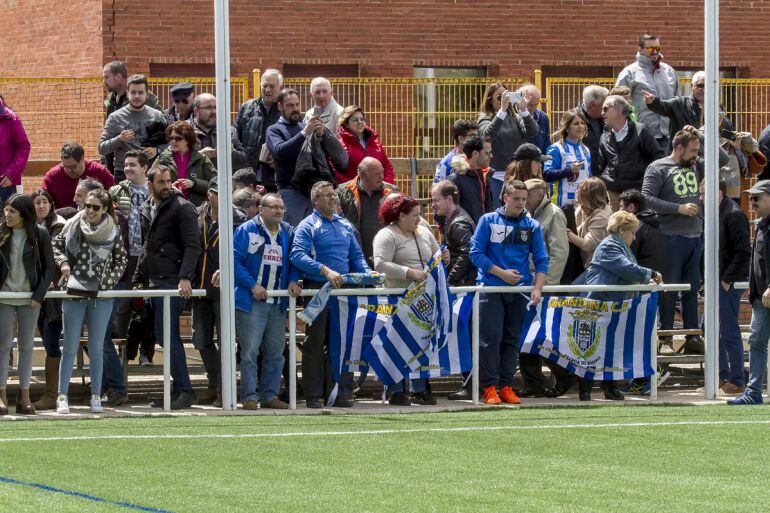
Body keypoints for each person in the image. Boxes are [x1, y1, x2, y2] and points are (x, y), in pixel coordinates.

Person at [290, 181, 369, 408]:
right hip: (318, 289)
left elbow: (356, 255)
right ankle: (313, 394)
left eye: (333, 195)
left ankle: (338, 392)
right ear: (315, 201)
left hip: (344, 292)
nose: (332, 198)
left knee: (342, 342)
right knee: (315, 342)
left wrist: (366, 274)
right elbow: (297, 255)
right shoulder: (307, 225)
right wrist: (324, 270)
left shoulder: (345, 225)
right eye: (325, 196)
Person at [470, 179, 548, 405]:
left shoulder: (532, 225)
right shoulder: (488, 221)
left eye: (524, 199)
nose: (521, 203)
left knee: (512, 340)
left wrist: (537, 287)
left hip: (519, 292)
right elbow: (475, 254)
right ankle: (489, 388)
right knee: (490, 340)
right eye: (516, 199)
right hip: (491, 289)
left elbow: (542, 259)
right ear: (505, 197)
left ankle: (506, 386)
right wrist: (501, 273)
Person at [133, 165, 201, 410]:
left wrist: (185, 277)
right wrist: (139, 277)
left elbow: (193, 245)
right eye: (160, 182)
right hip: (155, 281)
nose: (166, 186)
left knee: (167, 336)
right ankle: (176, 389)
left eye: (168, 181)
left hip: (172, 281)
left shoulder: (183, 207)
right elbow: (146, 247)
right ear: (150, 183)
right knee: (164, 336)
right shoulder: (146, 208)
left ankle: (185, 390)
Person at [53, 190, 128, 414]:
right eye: (87, 205)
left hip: (101, 294)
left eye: (95, 207)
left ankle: (96, 396)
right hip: (74, 290)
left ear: (105, 209)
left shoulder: (113, 231)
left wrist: (107, 283)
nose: (90, 210)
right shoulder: (73, 224)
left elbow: (121, 260)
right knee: (69, 346)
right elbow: (56, 246)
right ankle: (62, 396)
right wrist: (64, 264)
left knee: (96, 348)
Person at [579, 211, 663, 401]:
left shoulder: (619, 246)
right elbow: (625, 268)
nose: (634, 237)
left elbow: (627, 274)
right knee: (592, 349)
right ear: (622, 230)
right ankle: (585, 389)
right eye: (632, 232)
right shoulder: (610, 246)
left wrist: (643, 283)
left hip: (613, 306)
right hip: (600, 305)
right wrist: (651, 273)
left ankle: (609, 388)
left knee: (609, 349)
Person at [234, 193, 301, 410]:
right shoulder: (246, 230)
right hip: (251, 301)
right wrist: (252, 285)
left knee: (275, 352)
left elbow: (294, 260)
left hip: (277, 303)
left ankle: (270, 395)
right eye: (274, 207)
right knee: (250, 352)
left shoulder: (287, 232)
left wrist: (292, 280)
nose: (279, 211)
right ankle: (249, 396)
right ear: (260, 209)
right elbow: (232, 261)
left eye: (281, 208)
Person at [642, 126, 705, 354]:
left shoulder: (696, 164)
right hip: (670, 236)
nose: (696, 155)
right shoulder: (658, 167)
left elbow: (723, 157)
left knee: (691, 288)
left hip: (695, 235)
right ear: (678, 148)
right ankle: (666, 336)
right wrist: (677, 208)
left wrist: (700, 133)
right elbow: (647, 198)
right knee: (668, 289)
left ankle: (692, 336)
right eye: (692, 150)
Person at [373, 194, 440, 406]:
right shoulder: (386, 235)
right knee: (395, 345)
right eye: (415, 215)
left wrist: (441, 258)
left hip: (423, 300)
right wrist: (408, 272)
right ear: (401, 216)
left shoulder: (424, 233)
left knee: (421, 344)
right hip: (396, 299)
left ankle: (419, 388)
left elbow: (436, 255)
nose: (419, 220)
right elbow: (380, 264)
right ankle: (395, 390)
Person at [193, 177, 247, 406]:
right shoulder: (196, 214)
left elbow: (241, 253)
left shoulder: (239, 218)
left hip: (225, 288)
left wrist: (227, 271)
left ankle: (224, 388)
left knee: (226, 340)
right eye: (218, 192)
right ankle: (215, 382)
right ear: (209, 194)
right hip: (200, 285)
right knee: (201, 339)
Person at [0, 195, 55, 415]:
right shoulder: (2, 234)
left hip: (30, 297)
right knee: (3, 346)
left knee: (27, 347)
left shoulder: (40, 235)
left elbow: (50, 267)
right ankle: (2, 395)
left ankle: (24, 397)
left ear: (23, 214)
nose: (7, 215)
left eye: (12, 211)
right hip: (3, 296)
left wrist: (38, 295)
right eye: (6, 210)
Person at [515, 178, 569, 396]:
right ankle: (534, 381)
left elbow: (559, 252)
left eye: (527, 195)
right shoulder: (528, 215)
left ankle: (562, 375)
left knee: (540, 336)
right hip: (528, 285)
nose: (523, 200)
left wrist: (546, 284)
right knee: (527, 335)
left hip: (543, 287)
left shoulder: (554, 214)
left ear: (540, 193)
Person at [700, 179, 750, 395]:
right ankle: (721, 377)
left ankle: (737, 380)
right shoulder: (717, 213)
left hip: (726, 283)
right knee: (708, 326)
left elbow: (743, 251)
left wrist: (727, 279)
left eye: (703, 193)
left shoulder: (733, 213)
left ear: (717, 193)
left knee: (728, 331)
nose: (700, 198)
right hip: (717, 281)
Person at [267, 89, 341, 226]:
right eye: (290, 105)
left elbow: (320, 156)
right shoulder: (274, 130)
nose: (295, 109)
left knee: (315, 232)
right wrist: (304, 133)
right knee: (292, 232)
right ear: (280, 106)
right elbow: (280, 152)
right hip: (290, 190)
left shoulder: (304, 126)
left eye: (297, 104)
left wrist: (320, 136)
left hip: (311, 190)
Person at [728, 180, 770, 405]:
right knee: (756, 341)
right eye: (750, 198)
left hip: (767, 295)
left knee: (757, 342)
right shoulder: (762, 224)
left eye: (757, 198)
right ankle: (753, 392)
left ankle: (754, 392)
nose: (751, 202)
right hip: (761, 298)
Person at [30, 190, 66, 410]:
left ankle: (54, 394)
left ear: (51, 204)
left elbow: (54, 257)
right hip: (38, 291)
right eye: (37, 202)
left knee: (52, 342)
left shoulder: (58, 226)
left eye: (45, 201)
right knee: (47, 341)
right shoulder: (28, 228)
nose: (41, 205)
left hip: (55, 294)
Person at [597, 95, 664, 211]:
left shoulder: (641, 131)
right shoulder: (604, 136)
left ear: (619, 110)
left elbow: (657, 157)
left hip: (636, 193)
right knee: (616, 226)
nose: (602, 113)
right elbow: (601, 165)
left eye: (605, 109)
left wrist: (650, 183)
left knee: (638, 226)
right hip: (614, 192)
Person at [615, 33, 679, 153]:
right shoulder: (629, 73)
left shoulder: (669, 71)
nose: (655, 52)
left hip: (668, 136)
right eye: (651, 49)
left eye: (658, 48)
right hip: (640, 137)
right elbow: (617, 104)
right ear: (640, 49)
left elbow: (676, 103)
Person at [98, 74, 168, 183]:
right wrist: (119, 139)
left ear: (147, 95)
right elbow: (102, 148)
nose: (136, 96)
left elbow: (171, 144)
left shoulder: (157, 116)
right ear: (127, 93)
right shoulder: (115, 117)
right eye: (133, 92)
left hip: (151, 173)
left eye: (140, 92)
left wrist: (157, 150)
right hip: (124, 173)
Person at [337, 157, 398, 266]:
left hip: (386, 256)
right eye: (377, 174)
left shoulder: (391, 192)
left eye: (382, 173)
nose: (382, 177)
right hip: (354, 256)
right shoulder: (342, 192)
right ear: (363, 174)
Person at [235, 69, 283, 191]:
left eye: (272, 86)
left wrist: (277, 157)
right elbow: (237, 139)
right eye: (264, 86)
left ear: (280, 87)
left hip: (275, 176)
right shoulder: (246, 108)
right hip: (249, 174)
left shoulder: (285, 110)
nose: (267, 90)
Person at [151, 120, 217, 206]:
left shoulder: (201, 159)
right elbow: (151, 182)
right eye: (171, 138)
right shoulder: (163, 159)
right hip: (169, 207)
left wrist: (194, 184)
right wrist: (168, 188)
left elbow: (215, 184)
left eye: (178, 138)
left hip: (196, 210)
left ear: (188, 140)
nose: (173, 141)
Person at [477, 83, 539, 172]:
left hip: (517, 171)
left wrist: (524, 110)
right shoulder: (485, 117)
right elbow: (487, 135)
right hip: (497, 173)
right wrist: (502, 111)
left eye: (506, 96)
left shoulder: (516, 117)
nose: (503, 100)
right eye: (499, 97)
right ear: (490, 100)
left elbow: (533, 132)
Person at [43, 142, 115, 210]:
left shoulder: (99, 172)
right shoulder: (52, 176)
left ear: (82, 158)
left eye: (73, 167)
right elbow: (43, 199)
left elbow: (113, 196)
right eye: (65, 166)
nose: (69, 171)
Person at [431, 180, 476, 287]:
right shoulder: (454, 219)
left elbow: (467, 254)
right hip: (463, 282)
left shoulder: (458, 222)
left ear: (449, 199)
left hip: (463, 285)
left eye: (436, 201)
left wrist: (451, 281)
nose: (433, 205)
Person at [543, 109, 591, 207]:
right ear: (567, 127)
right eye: (576, 123)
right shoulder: (555, 148)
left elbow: (588, 176)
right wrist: (569, 170)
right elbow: (547, 174)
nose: (580, 126)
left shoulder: (586, 150)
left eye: (582, 123)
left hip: (581, 205)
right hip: (562, 204)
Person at [337, 105, 394, 184]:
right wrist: (352, 187)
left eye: (362, 119)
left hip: (380, 189)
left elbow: (387, 166)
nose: (360, 122)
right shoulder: (340, 145)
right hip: (354, 191)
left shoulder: (374, 141)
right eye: (355, 120)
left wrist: (387, 184)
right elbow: (335, 171)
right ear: (346, 124)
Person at [189, 93, 247, 170]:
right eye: (209, 108)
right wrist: (199, 155)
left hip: (222, 181)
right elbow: (173, 161)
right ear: (197, 111)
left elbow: (243, 162)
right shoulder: (184, 131)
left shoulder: (229, 131)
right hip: (194, 181)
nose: (214, 112)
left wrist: (232, 152)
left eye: (215, 107)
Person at [644, 71, 705, 140]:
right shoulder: (679, 103)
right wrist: (653, 102)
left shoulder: (715, 108)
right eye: (700, 85)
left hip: (706, 149)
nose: (704, 89)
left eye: (708, 86)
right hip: (681, 148)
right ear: (692, 85)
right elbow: (663, 106)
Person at [447, 135, 494, 224]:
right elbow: (445, 213)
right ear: (475, 154)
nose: (491, 156)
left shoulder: (485, 177)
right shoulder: (455, 180)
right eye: (487, 153)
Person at [568, 177, 612, 268]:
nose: (577, 192)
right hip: (584, 262)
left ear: (589, 195)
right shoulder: (583, 208)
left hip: (597, 266)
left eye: (580, 190)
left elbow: (588, 244)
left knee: (574, 283)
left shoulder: (602, 216)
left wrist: (568, 234)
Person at [0, 95, 30, 206]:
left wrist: (10, 173)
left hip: (3, 185)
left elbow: (24, 147)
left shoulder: (11, 118)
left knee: (5, 221)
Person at [577, 85, 609, 168]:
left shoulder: (605, 117)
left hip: (602, 171)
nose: (606, 108)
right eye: (604, 104)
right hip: (582, 171)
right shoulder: (573, 118)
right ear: (593, 104)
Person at [518, 84, 551, 154]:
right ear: (520, 100)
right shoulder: (513, 117)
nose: (533, 108)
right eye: (530, 104)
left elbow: (547, 143)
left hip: (538, 162)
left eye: (536, 104)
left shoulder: (543, 117)